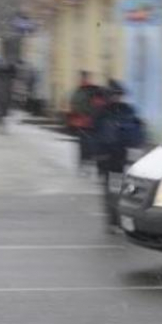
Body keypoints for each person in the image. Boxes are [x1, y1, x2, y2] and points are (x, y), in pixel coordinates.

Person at [92, 80, 145, 227]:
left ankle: (115, 220)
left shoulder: (103, 113)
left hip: (114, 159)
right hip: (118, 158)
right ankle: (116, 220)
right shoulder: (126, 111)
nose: (117, 98)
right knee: (117, 190)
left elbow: (96, 136)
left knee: (114, 190)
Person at [68, 71, 106, 174]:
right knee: (83, 145)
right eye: (81, 78)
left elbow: (97, 105)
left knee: (87, 145)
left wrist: (88, 114)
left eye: (82, 77)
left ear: (85, 78)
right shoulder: (81, 90)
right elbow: (74, 104)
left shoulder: (90, 90)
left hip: (88, 122)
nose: (81, 79)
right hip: (82, 123)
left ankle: (86, 164)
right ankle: (84, 164)